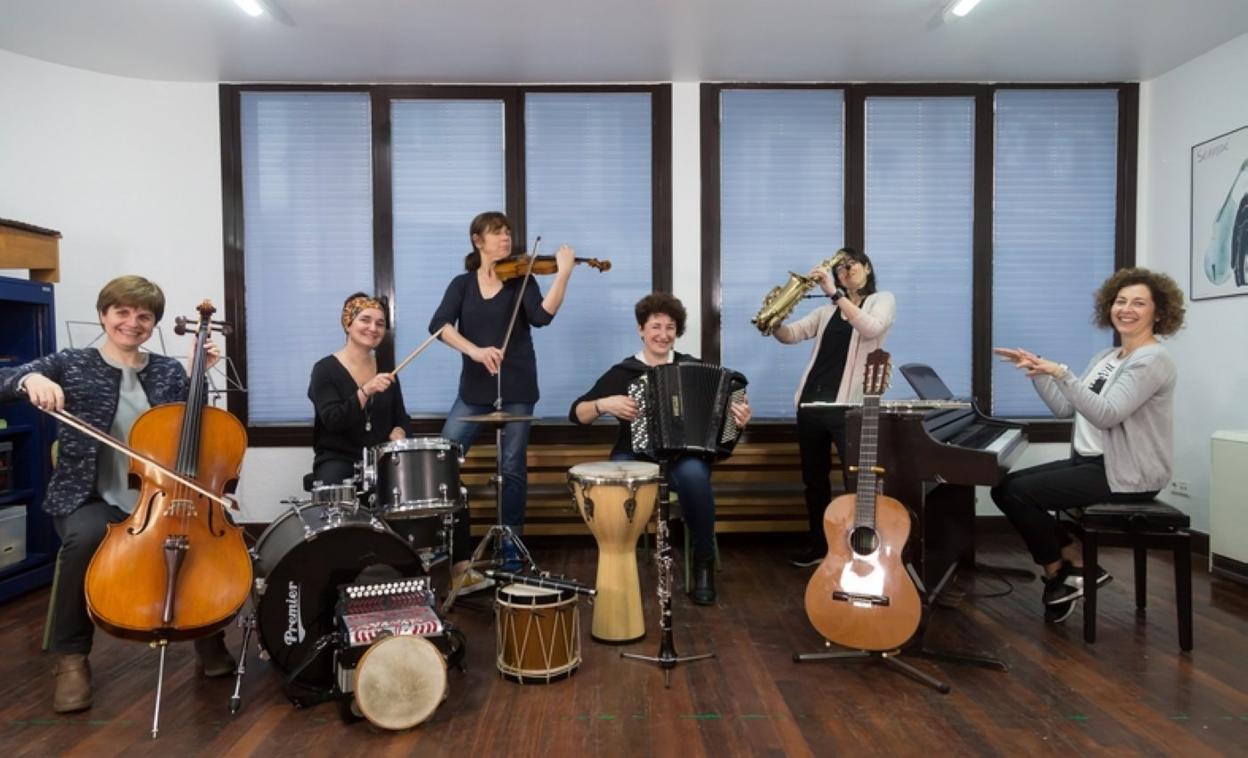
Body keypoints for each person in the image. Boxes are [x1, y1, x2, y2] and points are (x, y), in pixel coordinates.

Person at [0, 275, 234, 714]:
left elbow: (194, 433)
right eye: (122, 312)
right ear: (103, 315)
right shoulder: (72, 363)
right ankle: (71, 658)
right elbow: (4, 379)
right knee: (85, 539)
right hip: (90, 496)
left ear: (154, 323)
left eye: (143, 315)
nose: (132, 322)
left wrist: (198, 375)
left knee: (207, 540)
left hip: (160, 497)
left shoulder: (167, 371)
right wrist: (30, 379)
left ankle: (207, 634)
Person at [991, 267, 1185, 624]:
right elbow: (1066, 408)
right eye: (1120, 301)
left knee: (1018, 493)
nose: (1126, 309)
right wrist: (1039, 373)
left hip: (1127, 472)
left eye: (1139, 303)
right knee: (1005, 487)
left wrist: (1061, 373)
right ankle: (1070, 564)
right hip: (1091, 463)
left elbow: (1106, 415)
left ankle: (1063, 572)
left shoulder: (1153, 360)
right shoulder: (1107, 358)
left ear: (1159, 312)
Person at [569, 293, 751, 605]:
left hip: (683, 457)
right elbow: (577, 414)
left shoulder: (692, 366)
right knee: (617, 483)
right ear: (641, 329)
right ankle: (617, 565)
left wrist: (740, 418)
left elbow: (726, 416)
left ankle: (703, 563)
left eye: (670, 327)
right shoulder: (624, 372)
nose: (663, 334)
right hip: (634, 454)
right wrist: (603, 404)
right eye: (655, 326)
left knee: (695, 476)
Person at [308, 293, 485, 594]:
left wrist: (401, 430)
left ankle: (460, 569)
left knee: (451, 483)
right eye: (365, 320)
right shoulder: (324, 370)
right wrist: (364, 391)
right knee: (334, 489)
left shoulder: (387, 371)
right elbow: (332, 420)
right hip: (340, 458)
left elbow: (401, 417)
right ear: (348, 323)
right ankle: (334, 578)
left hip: (380, 460)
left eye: (380, 323)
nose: (373, 328)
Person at [429, 211, 575, 569]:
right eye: (497, 232)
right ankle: (456, 548)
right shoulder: (462, 285)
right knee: (443, 461)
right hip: (473, 391)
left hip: (517, 388)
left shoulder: (521, 279)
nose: (506, 238)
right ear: (478, 241)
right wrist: (475, 351)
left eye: (508, 232)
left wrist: (563, 274)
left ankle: (511, 545)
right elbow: (439, 325)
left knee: (512, 468)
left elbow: (542, 317)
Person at [771, 247, 896, 568]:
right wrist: (775, 321)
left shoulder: (881, 300)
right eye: (839, 269)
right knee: (814, 482)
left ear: (867, 268)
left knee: (855, 482)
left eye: (851, 266)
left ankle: (857, 549)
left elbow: (871, 328)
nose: (845, 272)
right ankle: (819, 546)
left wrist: (835, 294)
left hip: (849, 409)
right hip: (811, 406)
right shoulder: (826, 313)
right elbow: (792, 335)